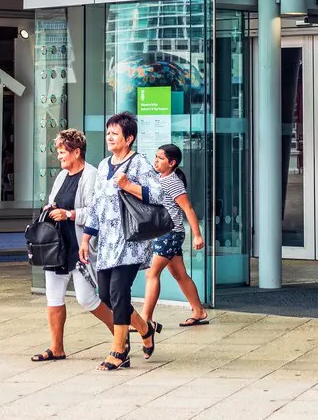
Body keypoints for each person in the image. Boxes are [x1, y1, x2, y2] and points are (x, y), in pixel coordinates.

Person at [78, 111, 161, 371]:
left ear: (129, 138)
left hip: (130, 241)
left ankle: (119, 350)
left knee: (118, 292)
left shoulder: (139, 164)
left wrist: (128, 185)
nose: (110, 137)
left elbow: (157, 193)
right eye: (108, 133)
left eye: (115, 133)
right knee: (106, 295)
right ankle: (145, 329)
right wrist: (86, 237)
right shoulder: (103, 165)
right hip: (106, 244)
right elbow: (96, 205)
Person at [34, 129, 114, 361]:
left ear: (76, 152)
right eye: (58, 152)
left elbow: (95, 211)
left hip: (80, 246)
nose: (59, 157)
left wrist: (69, 214)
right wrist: (50, 210)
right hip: (56, 246)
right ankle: (56, 348)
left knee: (86, 298)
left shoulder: (91, 175)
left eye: (62, 152)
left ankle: (119, 335)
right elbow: (52, 202)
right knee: (53, 297)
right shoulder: (61, 176)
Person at [139, 143, 211, 332]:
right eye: (156, 157)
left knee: (151, 273)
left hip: (170, 234)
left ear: (172, 163)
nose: (156, 160)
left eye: (161, 158)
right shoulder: (158, 178)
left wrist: (197, 235)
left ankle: (145, 319)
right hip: (165, 233)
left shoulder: (172, 181)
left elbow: (188, 208)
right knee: (179, 274)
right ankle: (199, 311)